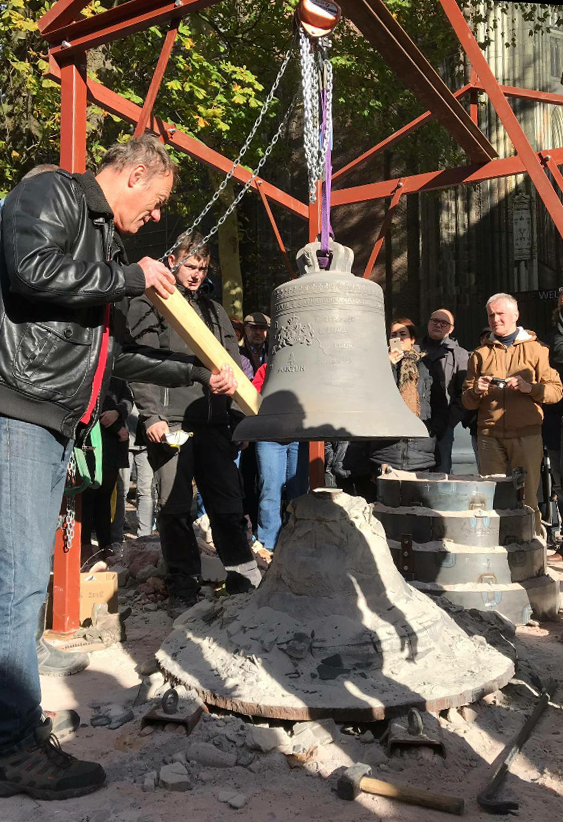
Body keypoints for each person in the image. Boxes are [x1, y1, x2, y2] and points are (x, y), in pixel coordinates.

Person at [0, 134, 237, 800]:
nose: (157, 218)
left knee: (18, 586)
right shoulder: (51, 193)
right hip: (19, 411)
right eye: (158, 201)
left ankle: (16, 729)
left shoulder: (99, 243)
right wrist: (131, 276)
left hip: (49, 420)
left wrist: (196, 371)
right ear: (135, 175)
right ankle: (11, 749)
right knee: (17, 589)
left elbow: (112, 358)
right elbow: (30, 270)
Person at [127, 231, 261, 619]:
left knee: (227, 504)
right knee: (174, 508)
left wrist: (237, 421)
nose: (196, 274)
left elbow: (235, 368)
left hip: (215, 424)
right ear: (174, 262)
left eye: (202, 268)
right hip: (171, 424)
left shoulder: (215, 311)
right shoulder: (153, 304)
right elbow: (139, 364)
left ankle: (241, 577)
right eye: (190, 265)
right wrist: (151, 415)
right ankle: (182, 585)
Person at [462, 292, 562, 533]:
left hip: (526, 435)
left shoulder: (539, 351)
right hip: (489, 436)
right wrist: (476, 390)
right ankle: (496, 550)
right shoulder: (479, 355)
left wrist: (531, 388)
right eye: (491, 315)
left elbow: (556, 391)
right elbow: (467, 401)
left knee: (527, 500)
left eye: (500, 314)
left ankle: (530, 553)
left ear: (515, 315)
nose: (496, 319)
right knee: (493, 498)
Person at [365, 318, 448, 473]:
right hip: (386, 451)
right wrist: (387, 365)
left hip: (420, 451)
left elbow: (439, 404)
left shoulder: (427, 366)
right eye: (393, 334)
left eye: (403, 334)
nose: (398, 338)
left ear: (413, 339)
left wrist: (432, 431)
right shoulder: (378, 365)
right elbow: (371, 396)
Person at [252, 363, 309, 559]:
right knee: (270, 489)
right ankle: (269, 544)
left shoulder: (308, 367)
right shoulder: (266, 369)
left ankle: (297, 537)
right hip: (269, 435)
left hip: (299, 435)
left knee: (299, 490)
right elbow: (255, 396)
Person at [81, 378, 132, 565]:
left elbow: (128, 399)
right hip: (89, 441)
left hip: (111, 446)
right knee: (86, 498)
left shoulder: (118, 376)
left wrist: (117, 413)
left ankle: (105, 546)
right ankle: (84, 547)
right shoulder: (90, 369)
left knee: (104, 499)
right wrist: (117, 427)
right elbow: (89, 402)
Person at [420, 308, 468, 474]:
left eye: (444, 323)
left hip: (443, 427)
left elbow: (464, 392)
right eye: (435, 321)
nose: (438, 325)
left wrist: (449, 421)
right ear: (428, 323)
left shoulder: (459, 355)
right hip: (416, 424)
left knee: (441, 474)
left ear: (451, 328)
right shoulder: (414, 351)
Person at [239, 312, 269, 379]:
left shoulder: (273, 353)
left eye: (262, 328)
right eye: (253, 327)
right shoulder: (238, 353)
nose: (258, 332)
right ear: (245, 329)